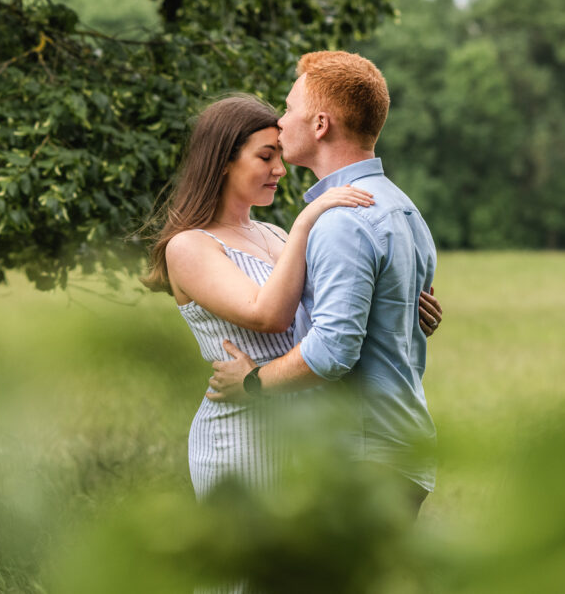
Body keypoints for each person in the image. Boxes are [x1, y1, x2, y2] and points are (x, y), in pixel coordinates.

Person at [141, 94, 442, 501]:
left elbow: (334, 314)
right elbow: (268, 315)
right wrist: (307, 220)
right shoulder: (190, 246)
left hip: (305, 434)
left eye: (280, 155)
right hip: (242, 429)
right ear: (223, 160)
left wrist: (404, 308)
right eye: (266, 157)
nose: (280, 169)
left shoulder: (274, 235)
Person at [207, 51, 439, 517]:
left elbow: (333, 351)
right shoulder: (403, 208)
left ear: (319, 125)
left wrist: (251, 382)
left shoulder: (342, 222)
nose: (280, 118)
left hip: (362, 456)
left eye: (289, 107)